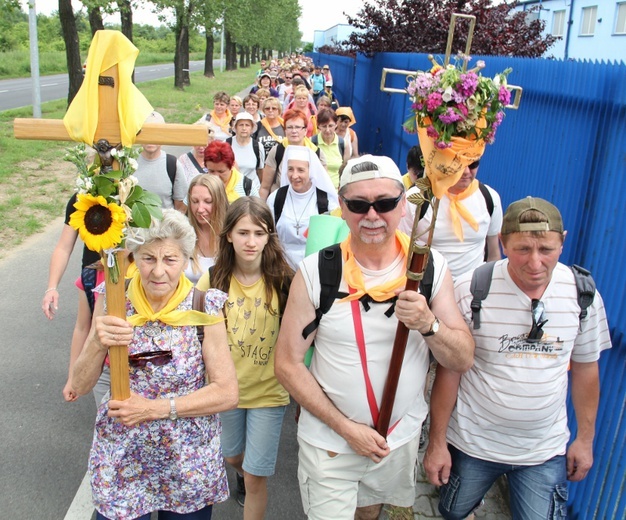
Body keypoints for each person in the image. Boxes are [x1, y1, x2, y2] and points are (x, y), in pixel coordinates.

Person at [274, 155, 474, 520]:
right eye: (358, 204)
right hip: (331, 443)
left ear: (403, 205)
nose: (372, 215)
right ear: (341, 205)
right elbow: (287, 364)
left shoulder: (429, 268)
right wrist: (346, 428)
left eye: (384, 203)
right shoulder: (318, 271)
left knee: (369, 513)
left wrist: (430, 324)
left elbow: (461, 359)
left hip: (396, 439)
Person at [424, 196, 612, 520]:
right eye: (523, 249)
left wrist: (585, 439)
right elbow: (450, 370)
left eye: (546, 250)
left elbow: (585, 371)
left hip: (544, 451)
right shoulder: (472, 290)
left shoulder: (583, 296)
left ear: (563, 242)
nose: (535, 263)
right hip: (472, 444)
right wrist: (437, 441)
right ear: (503, 242)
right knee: (454, 512)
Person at [71, 209, 239, 520]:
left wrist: (153, 408)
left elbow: (227, 393)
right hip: (123, 459)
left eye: (170, 259)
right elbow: (79, 386)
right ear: (134, 258)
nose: (158, 271)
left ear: (186, 261)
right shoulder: (114, 300)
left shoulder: (205, 306)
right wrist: (97, 341)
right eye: (148, 258)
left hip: (187, 462)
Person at [196, 197, 294, 519]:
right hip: (226, 393)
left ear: (269, 237)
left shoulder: (284, 280)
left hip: (269, 393)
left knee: (255, 479)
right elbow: (189, 326)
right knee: (233, 456)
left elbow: (302, 337)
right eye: (243, 233)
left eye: (259, 233)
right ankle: (241, 468)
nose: (251, 241)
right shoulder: (213, 280)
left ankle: (249, 475)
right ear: (228, 235)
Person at [399, 159, 502, 279]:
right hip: (427, 288)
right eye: (458, 165)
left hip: (473, 291)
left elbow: (493, 253)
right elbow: (400, 252)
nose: (466, 172)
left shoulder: (489, 197)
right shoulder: (416, 198)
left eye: (473, 164)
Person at [266, 146, 339, 269]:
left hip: (316, 268)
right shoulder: (276, 198)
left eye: (300, 170)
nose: (294, 176)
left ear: (311, 171)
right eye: (290, 169)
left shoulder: (327, 201)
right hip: (281, 270)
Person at [260, 109, 327, 201]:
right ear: (285, 130)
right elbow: (265, 187)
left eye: (298, 127)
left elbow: (323, 185)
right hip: (280, 202)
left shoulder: (316, 152)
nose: (294, 131)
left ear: (305, 130)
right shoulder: (277, 151)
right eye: (290, 127)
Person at [135, 111, 188, 212]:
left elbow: (180, 207)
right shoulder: (129, 163)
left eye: (155, 133)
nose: (151, 138)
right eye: (146, 133)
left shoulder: (172, 164)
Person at [185, 174, 229, 284]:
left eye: (208, 201)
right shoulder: (182, 234)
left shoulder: (231, 234)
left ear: (220, 201)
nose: (200, 209)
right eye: (194, 201)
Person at [312, 108, 350, 190]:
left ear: (336, 124)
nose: (327, 130)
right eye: (324, 126)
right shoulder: (311, 143)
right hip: (316, 190)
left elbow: (345, 171)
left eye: (330, 126)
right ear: (318, 126)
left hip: (335, 191)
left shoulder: (343, 144)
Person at [226, 112, 265, 185]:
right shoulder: (226, 144)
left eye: (247, 125)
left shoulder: (258, 146)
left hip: (252, 189)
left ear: (252, 128)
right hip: (231, 187)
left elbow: (260, 170)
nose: (244, 128)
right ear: (236, 127)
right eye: (241, 125)